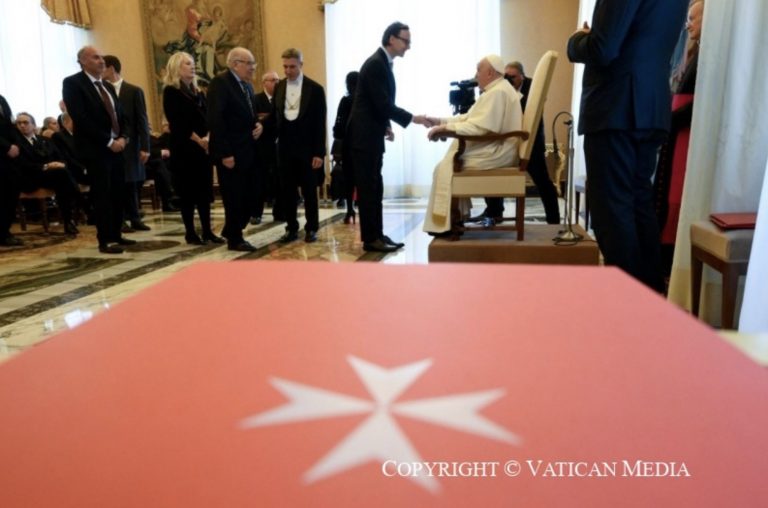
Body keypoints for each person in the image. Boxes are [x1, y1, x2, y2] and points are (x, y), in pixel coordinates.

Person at [567, 0, 688, 292]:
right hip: (651, 103)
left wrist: (576, 41)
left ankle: (626, 299)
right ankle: (650, 295)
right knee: (638, 203)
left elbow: (604, 49)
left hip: (616, 105)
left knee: (613, 211)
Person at [345, 21, 429, 253]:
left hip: (371, 134)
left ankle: (377, 234)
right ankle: (371, 239)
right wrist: (413, 118)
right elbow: (382, 104)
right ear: (392, 39)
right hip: (363, 138)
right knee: (368, 189)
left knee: (375, 188)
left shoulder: (383, 62)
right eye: (406, 41)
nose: (408, 46)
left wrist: (386, 125)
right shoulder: (376, 64)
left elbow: (377, 103)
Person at [422, 55, 523, 235]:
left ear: (490, 72)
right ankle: (454, 218)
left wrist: (446, 129)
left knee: (445, 167)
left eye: (478, 70)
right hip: (497, 146)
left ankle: (447, 223)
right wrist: (440, 121)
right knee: (447, 163)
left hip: (498, 152)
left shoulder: (498, 92)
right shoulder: (496, 89)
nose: (476, 75)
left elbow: (480, 128)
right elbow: (469, 118)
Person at [63, 45, 135, 254]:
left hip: (117, 148)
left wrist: (124, 138)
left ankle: (116, 234)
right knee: (102, 195)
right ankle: (105, 239)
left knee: (118, 192)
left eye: (102, 57)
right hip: (96, 150)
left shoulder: (108, 86)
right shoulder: (73, 83)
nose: (102, 61)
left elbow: (122, 116)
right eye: (96, 57)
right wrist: (109, 141)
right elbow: (81, 117)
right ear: (83, 61)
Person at [475, 60, 560, 225]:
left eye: (513, 77)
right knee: (493, 169)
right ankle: (494, 212)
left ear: (522, 76)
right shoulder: (503, 87)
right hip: (508, 140)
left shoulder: (533, 87)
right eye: (506, 76)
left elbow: (525, 111)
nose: (509, 79)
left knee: (542, 180)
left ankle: (554, 219)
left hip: (532, 141)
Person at [653, 0, 704, 276]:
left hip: (685, 133)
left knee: (674, 195)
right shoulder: (696, 52)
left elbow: (699, 102)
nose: (688, 25)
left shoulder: (708, 56)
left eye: (693, 19)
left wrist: (671, 118)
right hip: (676, 131)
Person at [163, 51, 223, 246]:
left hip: (202, 150)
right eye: (188, 63)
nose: (193, 66)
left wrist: (208, 137)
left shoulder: (199, 92)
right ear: (177, 68)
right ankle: (190, 232)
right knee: (187, 194)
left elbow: (208, 118)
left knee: (204, 193)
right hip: (184, 150)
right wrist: (198, 140)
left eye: (192, 63)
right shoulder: (171, 92)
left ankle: (207, 231)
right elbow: (177, 123)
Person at [267, 48, 327, 244]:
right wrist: (260, 126)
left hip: (307, 149)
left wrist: (319, 153)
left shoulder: (315, 89)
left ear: (301, 65)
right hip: (285, 147)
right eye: (285, 67)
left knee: (309, 191)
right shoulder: (279, 87)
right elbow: (274, 116)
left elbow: (320, 123)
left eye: (292, 67)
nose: (288, 71)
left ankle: (311, 228)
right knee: (287, 191)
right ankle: (291, 228)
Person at [206, 46, 263, 251]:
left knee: (250, 194)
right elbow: (216, 120)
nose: (253, 67)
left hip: (247, 151)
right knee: (234, 196)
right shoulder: (220, 83)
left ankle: (231, 229)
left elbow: (250, 115)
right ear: (235, 64)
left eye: (253, 63)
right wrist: (225, 153)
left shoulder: (247, 86)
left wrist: (259, 125)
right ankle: (235, 239)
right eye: (249, 63)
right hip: (230, 153)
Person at [103, 55, 152, 233]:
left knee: (131, 183)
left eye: (103, 66)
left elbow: (142, 119)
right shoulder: (102, 90)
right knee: (116, 184)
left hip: (131, 144)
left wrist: (145, 147)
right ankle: (120, 219)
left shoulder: (133, 90)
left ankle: (135, 218)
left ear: (111, 68)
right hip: (110, 144)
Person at [12, 112, 80, 235]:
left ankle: (68, 220)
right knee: (62, 176)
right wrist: (47, 166)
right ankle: (74, 210)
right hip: (30, 177)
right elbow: (22, 165)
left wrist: (61, 163)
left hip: (52, 175)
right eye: (19, 123)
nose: (22, 125)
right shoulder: (15, 144)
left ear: (34, 125)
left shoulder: (45, 140)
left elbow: (61, 157)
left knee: (62, 177)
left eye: (25, 122)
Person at [250, 70, 279, 225]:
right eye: (272, 80)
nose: (276, 83)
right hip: (261, 147)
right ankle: (256, 213)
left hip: (279, 147)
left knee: (278, 180)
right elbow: (255, 121)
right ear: (264, 83)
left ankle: (280, 212)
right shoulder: (256, 100)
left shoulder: (281, 99)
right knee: (259, 182)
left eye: (278, 80)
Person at [331, 71, 359, 224]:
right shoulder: (364, 100)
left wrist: (338, 135)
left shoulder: (345, 101)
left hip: (348, 145)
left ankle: (350, 210)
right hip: (363, 145)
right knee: (364, 179)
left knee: (349, 179)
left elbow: (339, 124)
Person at [0, 93, 22, 246]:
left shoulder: (2, 99)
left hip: (10, 159)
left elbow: (10, 124)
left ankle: (4, 231)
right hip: (2, 152)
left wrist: (15, 145)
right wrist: (6, 147)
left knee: (10, 195)